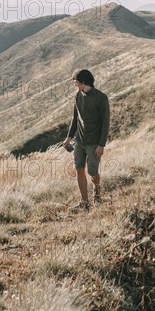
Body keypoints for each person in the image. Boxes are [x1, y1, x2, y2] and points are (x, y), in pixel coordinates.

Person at [62, 69, 110, 211]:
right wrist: (68, 138)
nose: (75, 84)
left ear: (83, 82)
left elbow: (105, 123)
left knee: (93, 172)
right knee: (79, 169)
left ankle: (97, 189)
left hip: (94, 142)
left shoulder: (101, 98)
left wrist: (101, 145)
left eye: (76, 82)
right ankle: (85, 203)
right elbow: (75, 118)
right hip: (80, 141)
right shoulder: (78, 96)